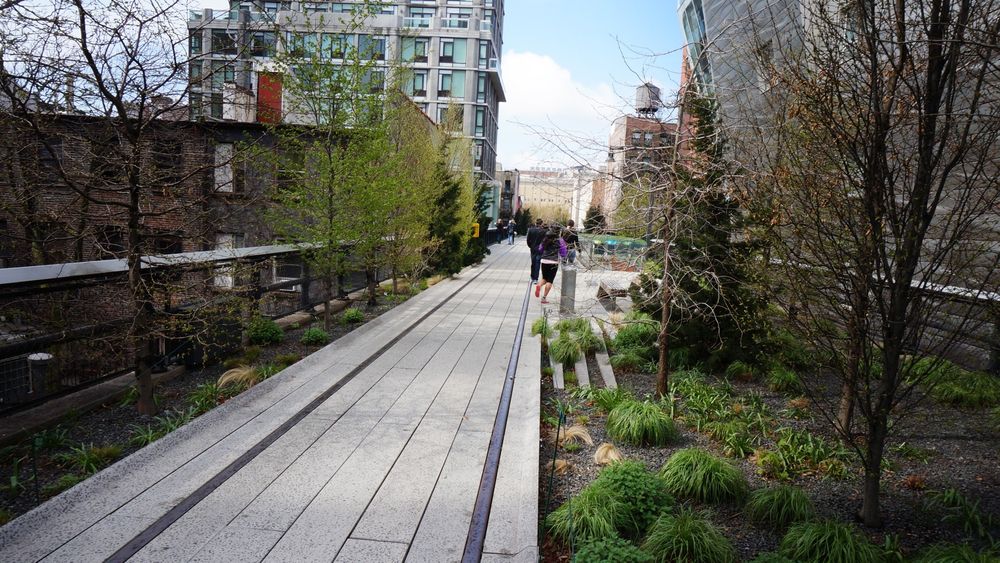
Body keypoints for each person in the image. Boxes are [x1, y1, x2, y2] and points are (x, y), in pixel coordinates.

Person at [535, 227, 567, 304]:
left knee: (544, 278)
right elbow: (563, 252)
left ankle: (539, 285)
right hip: (553, 262)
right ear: (558, 232)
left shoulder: (545, 239)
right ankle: (544, 298)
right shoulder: (560, 240)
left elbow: (540, 249)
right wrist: (563, 256)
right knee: (550, 280)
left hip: (544, 261)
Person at [526, 218, 545, 283]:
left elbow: (528, 240)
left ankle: (532, 276)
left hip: (533, 249)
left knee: (533, 262)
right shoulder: (543, 231)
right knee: (537, 263)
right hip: (540, 249)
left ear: (535, 223)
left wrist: (530, 246)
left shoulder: (531, 230)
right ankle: (536, 278)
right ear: (541, 223)